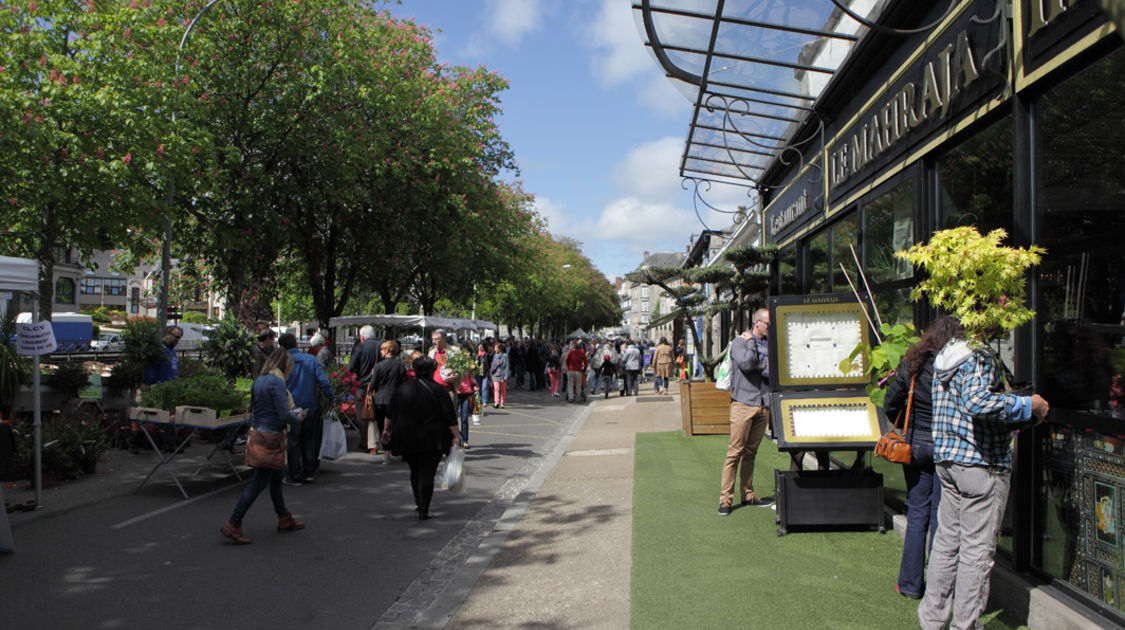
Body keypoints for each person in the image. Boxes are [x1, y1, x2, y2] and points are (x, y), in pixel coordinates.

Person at [917, 323, 1050, 630]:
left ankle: (932, 620)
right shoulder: (978, 354)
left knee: (946, 543)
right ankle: (964, 625)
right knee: (976, 552)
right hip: (981, 464)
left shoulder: (947, 352)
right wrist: (1029, 404)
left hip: (949, 461)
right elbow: (977, 401)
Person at [882, 316, 962, 600]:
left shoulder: (914, 365)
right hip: (947, 445)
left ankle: (910, 584)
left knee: (917, 513)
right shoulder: (959, 365)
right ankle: (941, 588)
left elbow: (890, 401)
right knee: (943, 517)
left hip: (916, 445)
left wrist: (902, 424)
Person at [220, 350, 307, 545]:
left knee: (275, 479)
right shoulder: (277, 383)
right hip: (271, 436)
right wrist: (299, 418)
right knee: (259, 482)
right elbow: (283, 413)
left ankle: (284, 517)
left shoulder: (259, 381)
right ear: (284, 365)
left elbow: (253, 409)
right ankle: (234, 522)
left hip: (258, 432)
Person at [383, 357, 461, 520]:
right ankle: (424, 508)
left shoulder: (403, 389)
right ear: (432, 371)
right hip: (433, 437)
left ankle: (419, 502)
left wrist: (386, 430)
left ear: (414, 370)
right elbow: (449, 416)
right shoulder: (439, 390)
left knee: (415, 470)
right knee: (427, 472)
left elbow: (390, 413)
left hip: (407, 435)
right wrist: (456, 435)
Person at [718, 308, 772, 515]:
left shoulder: (769, 343)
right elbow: (747, 364)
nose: (770, 328)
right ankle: (725, 500)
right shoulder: (740, 341)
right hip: (743, 402)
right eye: (768, 324)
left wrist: (761, 364)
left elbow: (770, 369)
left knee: (751, 452)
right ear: (757, 323)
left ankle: (748, 495)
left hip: (762, 403)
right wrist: (751, 344)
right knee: (735, 452)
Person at [279, 333, 333, 485]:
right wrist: (331, 398)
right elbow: (323, 381)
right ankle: (309, 471)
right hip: (310, 404)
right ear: (296, 343)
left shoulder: (282, 360)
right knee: (309, 439)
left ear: (282, 347)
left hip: (291, 406)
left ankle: (295, 475)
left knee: (293, 441)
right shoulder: (310, 359)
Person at [132, 325, 183, 453]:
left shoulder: (172, 351)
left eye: (179, 339)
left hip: (168, 389)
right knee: (148, 416)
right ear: (168, 334)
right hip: (156, 388)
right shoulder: (158, 350)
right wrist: (147, 384)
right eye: (176, 337)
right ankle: (135, 443)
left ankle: (170, 443)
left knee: (167, 417)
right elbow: (151, 368)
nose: (177, 341)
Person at [367, 340, 406, 463]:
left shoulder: (378, 366)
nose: (380, 352)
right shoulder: (400, 365)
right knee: (393, 426)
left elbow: (372, 385)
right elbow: (403, 382)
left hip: (380, 399)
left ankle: (386, 455)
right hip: (395, 399)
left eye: (382, 349)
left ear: (388, 350)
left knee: (381, 426)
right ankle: (394, 449)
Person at [347, 325, 381, 452]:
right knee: (375, 415)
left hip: (362, 385)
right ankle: (374, 442)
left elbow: (351, 366)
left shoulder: (360, 347)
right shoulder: (380, 346)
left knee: (362, 415)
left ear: (362, 337)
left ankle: (364, 441)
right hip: (378, 385)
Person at [490, 342, 509, 408]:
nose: (495, 349)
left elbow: (507, 366)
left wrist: (506, 375)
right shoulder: (495, 355)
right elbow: (493, 364)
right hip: (495, 374)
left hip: (502, 374)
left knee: (503, 389)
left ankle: (502, 403)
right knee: (496, 389)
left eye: (496, 348)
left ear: (500, 348)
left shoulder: (505, 356)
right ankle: (496, 403)